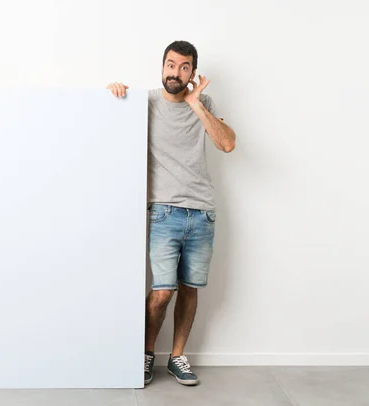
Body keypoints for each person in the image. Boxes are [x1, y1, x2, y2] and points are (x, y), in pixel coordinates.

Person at [106, 40, 236, 387]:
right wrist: (114, 91)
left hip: (202, 212)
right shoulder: (145, 102)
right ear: (162, 66)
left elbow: (227, 143)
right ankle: (147, 354)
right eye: (170, 64)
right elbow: (108, 118)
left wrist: (197, 105)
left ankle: (178, 356)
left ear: (193, 73)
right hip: (163, 213)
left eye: (183, 67)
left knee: (189, 289)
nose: (175, 72)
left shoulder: (203, 103)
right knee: (162, 292)